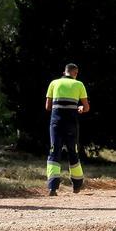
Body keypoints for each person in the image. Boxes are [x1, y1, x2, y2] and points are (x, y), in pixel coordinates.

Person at [44, 63, 90, 194]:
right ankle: (77, 185)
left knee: (54, 151)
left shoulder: (54, 83)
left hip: (56, 122)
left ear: (64, 72)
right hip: (71, 123)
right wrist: (80, 108)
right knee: (73, 151)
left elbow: (47, 106)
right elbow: (86, 107)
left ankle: (52, 187)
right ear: (75, 73)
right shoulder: (79, 84)